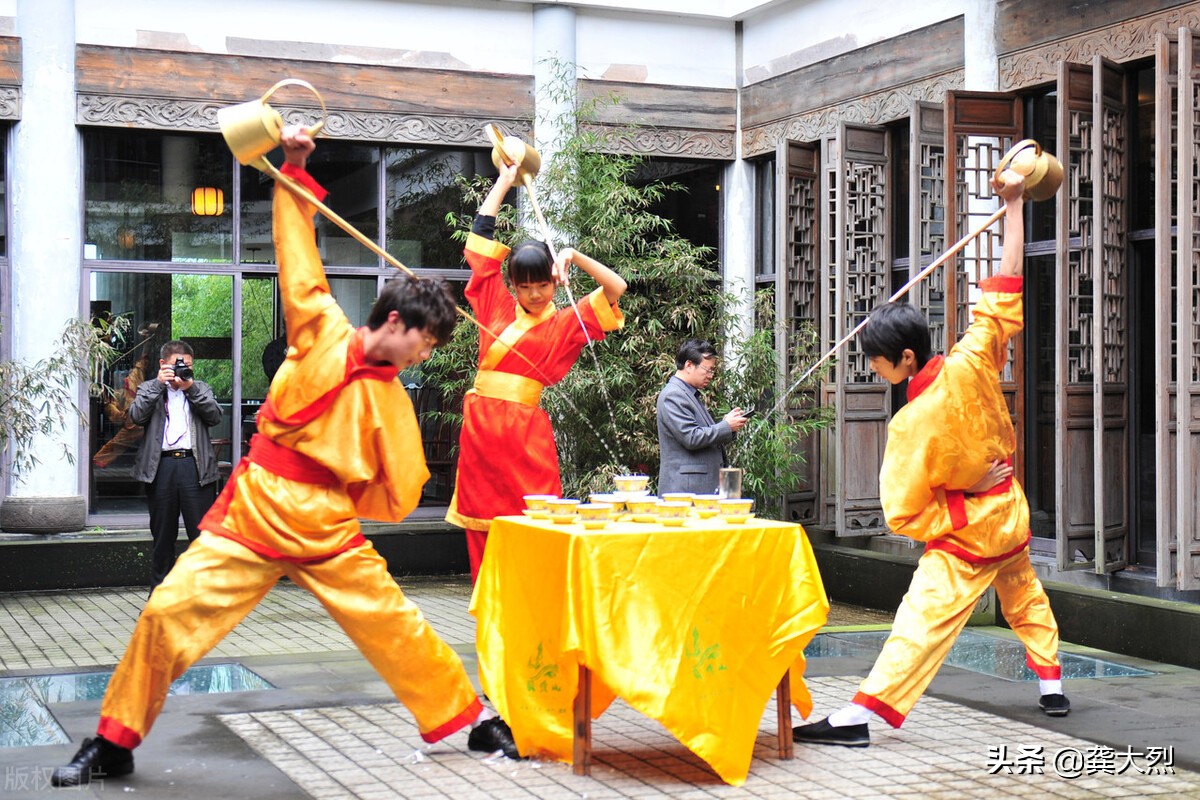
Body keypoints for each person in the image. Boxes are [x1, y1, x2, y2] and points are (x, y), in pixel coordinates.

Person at [50, 125, 520, 788]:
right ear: (395, 323)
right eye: (425, 342)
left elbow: (403, 493)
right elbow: (295, 245)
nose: (425, 355)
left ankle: (471, 720)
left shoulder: (394, 406)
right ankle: (113, 739)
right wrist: (296, 166)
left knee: (397, 624)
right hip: (255, 512)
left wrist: (351, 499)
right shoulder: (320, 324)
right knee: (165, 614)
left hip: (328, 527)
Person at [792, 169, 1068, 749]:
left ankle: (858, 719)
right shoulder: (972, 358)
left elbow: (902, 512)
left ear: (906, 356)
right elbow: (1007, 285)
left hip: (967, 535)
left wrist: (956, 503)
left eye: (877, 361)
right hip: (1010, 516)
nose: (872, 369)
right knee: (1024, 595)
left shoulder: (910, 424)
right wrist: (1014, 206)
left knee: (920, 623)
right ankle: (1051, 683)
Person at [445, 162, 627, 583]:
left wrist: (573, 255)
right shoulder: (495, 304)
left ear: (553, 281)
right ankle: (490, 616)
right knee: (482, 527)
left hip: (527, 436)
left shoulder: (567, 322)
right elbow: (480, 242)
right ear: (512, 284)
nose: (533, 294)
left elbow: (616, 288)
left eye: (541, 285)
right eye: (524, 286)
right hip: (482, 433)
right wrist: (505, 181)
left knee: (538, 518)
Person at [127, 340, 223, 590]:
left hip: (195, 467)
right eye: (176, 365)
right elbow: (136, 416)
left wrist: (190, 388)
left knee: (201, 538)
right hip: (162, 468)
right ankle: (160, 598)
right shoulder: (149, 388)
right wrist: (159, 384)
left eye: (187, 365)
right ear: (162, 365)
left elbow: (214, 415)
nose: (182, 369)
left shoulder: (200, 388)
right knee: (163, 538)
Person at [656, 338, 748, 494]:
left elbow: (700, 433)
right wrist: (726, 426)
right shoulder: (673, 395)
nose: (711, 375)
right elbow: (691, 437)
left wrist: (727, 425)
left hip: (696, 487)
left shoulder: (689, 393)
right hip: (685, 491)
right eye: (708, 370)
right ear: (689, 365)